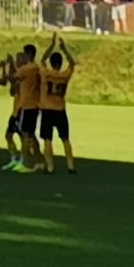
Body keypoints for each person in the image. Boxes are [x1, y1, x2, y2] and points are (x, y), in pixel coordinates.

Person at [38, 46, 76, 174]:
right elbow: (72, 63)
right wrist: (65, 49)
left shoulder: (46, 74)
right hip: (60, 109)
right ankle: (70, 166)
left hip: (47, 110)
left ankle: (50, 167)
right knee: (65, 138)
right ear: (60, 64)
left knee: (47, 139)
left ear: (51, 62)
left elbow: (42, 60)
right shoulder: (64, 76)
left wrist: (51, 45)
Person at [10, 43, 43, 173]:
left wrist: (11, 64)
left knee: (24, 135)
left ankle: (26, 163)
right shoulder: (38, 68)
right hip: (36, 105)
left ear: (28, 54)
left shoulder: (26, 69)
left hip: (26, 105)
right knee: (31, 134)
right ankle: (39, 161)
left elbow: (12, 78)